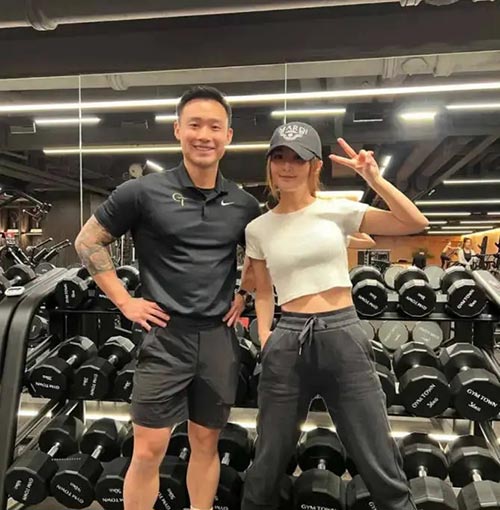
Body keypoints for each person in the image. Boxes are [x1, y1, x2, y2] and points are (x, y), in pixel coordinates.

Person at [74, 86, 261, 510]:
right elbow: (87, 241)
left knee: (206, 444)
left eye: (214, 127)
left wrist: (244, 292)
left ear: (228, 136)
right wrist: (125, 302)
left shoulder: (243, 203)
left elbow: (258, 252)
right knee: (147, 449)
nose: (204, 135)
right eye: (194, 125)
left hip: (218, 339)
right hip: (165, 337)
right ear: (178, 130)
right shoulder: (141, 192)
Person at [241, 122, 428, 510]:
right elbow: (263, 290)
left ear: (314, 166)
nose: (287, 166)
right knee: (268, 459)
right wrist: (266, 336)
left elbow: (414, 222)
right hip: (288, 340)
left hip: (343, 333)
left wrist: (374, 179)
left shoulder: (338, 210)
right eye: (279, 157)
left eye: (298, 158)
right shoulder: (258, 228)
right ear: (270, 164)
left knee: (377, 455)